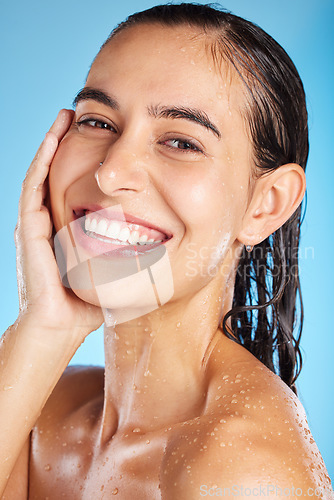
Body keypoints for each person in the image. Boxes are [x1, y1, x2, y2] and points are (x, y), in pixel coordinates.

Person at [0, 3, 332, 498]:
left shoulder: (241, 468)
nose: (111, 173)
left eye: (180, 142)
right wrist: (44, 328)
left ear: (265, 205)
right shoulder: (40, 407)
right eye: (98, 122)